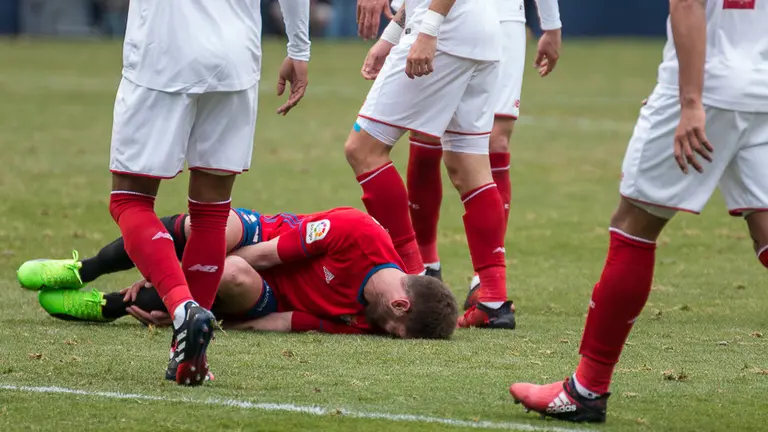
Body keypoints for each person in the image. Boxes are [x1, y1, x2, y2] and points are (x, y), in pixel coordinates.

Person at [509, 0, 768, 423]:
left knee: (633, 225)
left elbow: (687, 4)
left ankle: (586, 390)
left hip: (708, 88)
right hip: (762, 92)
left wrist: (689, 102)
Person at [103, 0, 311, 386]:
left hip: (162, 55)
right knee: (211, 211)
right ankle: (188, 356)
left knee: (129, 200)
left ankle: (184, 309)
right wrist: (299, 48)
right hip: (235, 58)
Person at [18, 207, 458, 343]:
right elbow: (265, 254)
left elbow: (290, 321)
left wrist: (199, 315)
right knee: (208, 227)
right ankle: (84, 269)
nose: (391, 337)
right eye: (399, 332)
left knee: (231, 275)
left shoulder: (369, 321)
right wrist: (172, 279)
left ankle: (108, 306)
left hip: (259, 288)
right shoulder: (358, 233)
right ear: (401, 304)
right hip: (262, 240)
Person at [347, 0, 513, 330]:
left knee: (363, 149)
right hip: (480, 35)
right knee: (469, 165)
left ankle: (413, 274)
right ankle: (493, 301)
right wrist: (391, 35)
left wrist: (428, 31)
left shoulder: (434, 30)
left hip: (444, 34)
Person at [404, 0, 561, 315]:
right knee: (425, 133)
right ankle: (426, 265)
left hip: (504, 17)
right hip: (442, 17)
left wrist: (551, 23)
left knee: (496, 142)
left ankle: (486, 283)